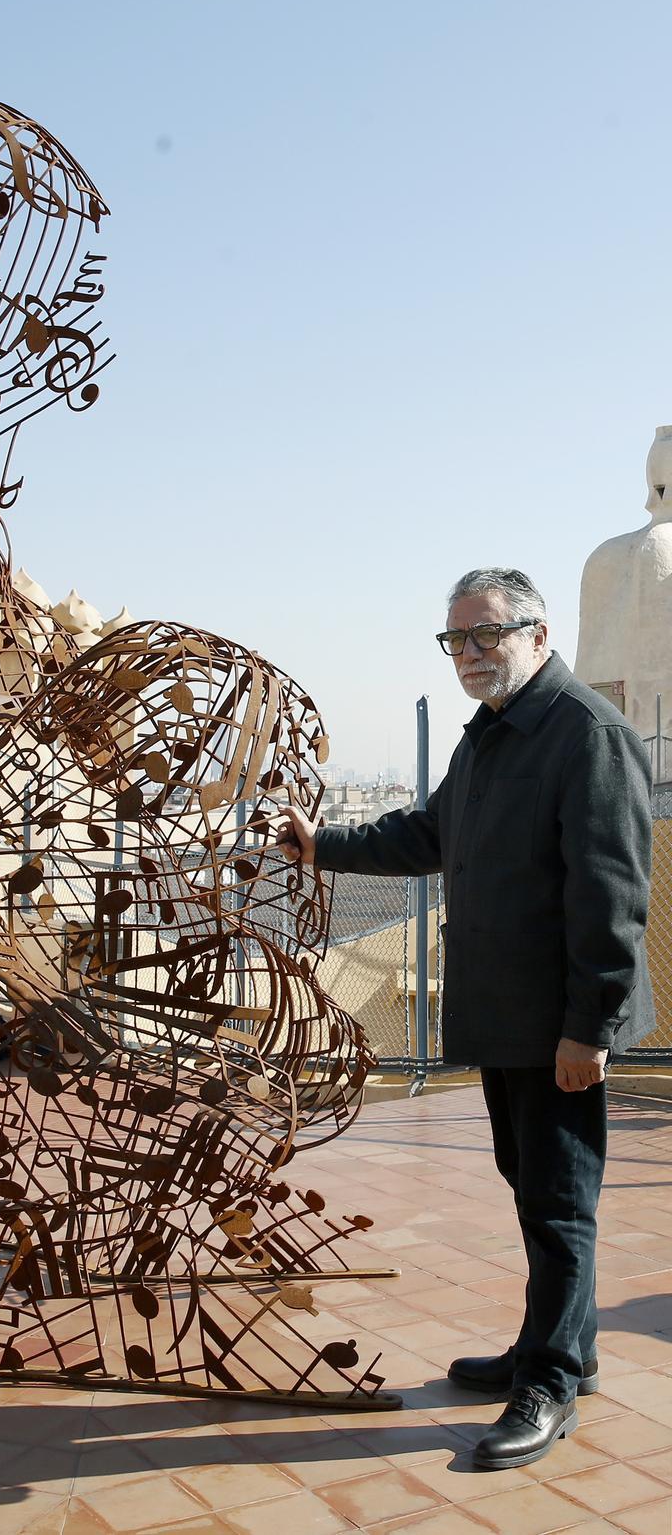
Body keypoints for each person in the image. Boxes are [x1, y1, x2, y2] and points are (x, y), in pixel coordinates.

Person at [276, 567, 654, 1471]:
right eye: (456, 640)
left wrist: (590, 1028)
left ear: (537, 630)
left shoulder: (585, 735)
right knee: (530, 1181)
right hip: (502, 1012)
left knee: (561, 1201)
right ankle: (563, 1345)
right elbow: (428, 834)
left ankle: (551, 1381)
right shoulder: (488, 737)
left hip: (557, 1021)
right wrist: (321, 842)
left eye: (486, 635)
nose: (470, 655)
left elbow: (612, 897)